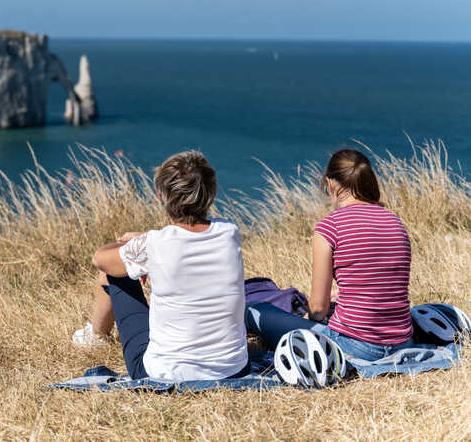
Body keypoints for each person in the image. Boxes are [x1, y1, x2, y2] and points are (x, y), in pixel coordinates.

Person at [82, 151, 250, 380]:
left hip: (165, 373)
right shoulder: (229, 232)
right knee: (127, 264)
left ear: (161, 195)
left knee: (113, 273)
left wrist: (133, 246)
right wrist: (143, 244)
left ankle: (96, 337)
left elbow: (99, 259)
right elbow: (187, 243)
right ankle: (96, 336)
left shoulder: (154, 244)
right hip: (233, 368)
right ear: (212, 192)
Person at [246, 149, 417, 361]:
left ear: (330, 183)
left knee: (253, 311)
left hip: (353, 346)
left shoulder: (330, 227)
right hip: (403, 342)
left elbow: (318, 309)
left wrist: (305, 319)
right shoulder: (394, 221)